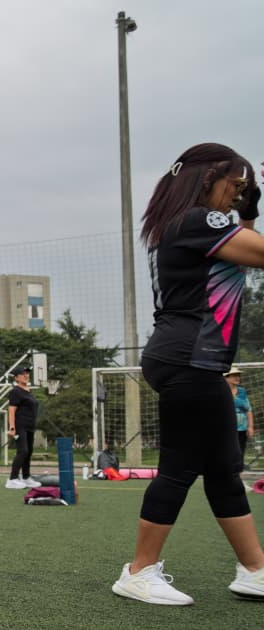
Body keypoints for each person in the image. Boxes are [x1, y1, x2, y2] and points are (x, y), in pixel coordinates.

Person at [111, 143, 264, 605]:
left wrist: (249, 213)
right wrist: (249, 216)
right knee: (180, 467)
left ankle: (255, 570)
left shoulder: (182, 224)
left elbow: (243, 254)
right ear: (208, 179)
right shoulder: (200, 220)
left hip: (192, 359)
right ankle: (138, 572)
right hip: (190, 359)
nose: (235, 199)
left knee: (221, 469)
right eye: (234, 187)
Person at [4, 367, 41, 490]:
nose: (26, 375)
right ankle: (12, 479)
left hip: (30, 426)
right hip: (20, 426)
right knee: (23, 450)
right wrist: (12, 427)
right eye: (22, 374)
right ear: (16, 378)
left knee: (29, 451)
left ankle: (26, 477)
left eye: (27, 373)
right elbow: (11, 409)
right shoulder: (16, 391)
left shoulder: (27, 391)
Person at [224, 367, 255, 468]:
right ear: (226, 378)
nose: (237, 377)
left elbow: (248, 409)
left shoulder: (242, 391)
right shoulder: (221, 390)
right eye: (234, 376)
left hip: (241, 429)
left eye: (238, 375)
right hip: (226, 429)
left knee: (240, 454)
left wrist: (250, 427)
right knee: (227, 454)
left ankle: (238, 478)